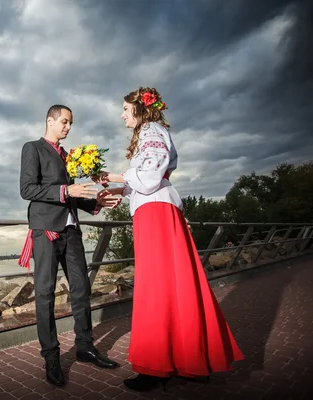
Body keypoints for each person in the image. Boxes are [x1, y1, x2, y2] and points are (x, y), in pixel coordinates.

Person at [95, 87, 244, 392]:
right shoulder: (152, 132)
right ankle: (186, 359)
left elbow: (149, 176)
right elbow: (149, 176)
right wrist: (116, 190)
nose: (122, 114)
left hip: (155, 215)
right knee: (172, 284)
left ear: (140, 109)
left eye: (125, 108)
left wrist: (116, 178)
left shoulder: (151, 129)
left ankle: (157, 367)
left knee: (155, 286)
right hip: (157, 210)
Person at [19, 104, 121, 387]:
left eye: (70, 123)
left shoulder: (69, 156)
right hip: (46, 230)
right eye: (64, 122)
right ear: (50, 121)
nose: (68, 127)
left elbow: (73, 196)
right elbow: (27, 189)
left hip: (72, 229)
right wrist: (65, 190)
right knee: (45, 294)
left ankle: (85, 347)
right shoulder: (33, 148)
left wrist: (96, 202)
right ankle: (51, 357)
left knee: (81, 288)